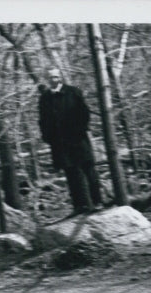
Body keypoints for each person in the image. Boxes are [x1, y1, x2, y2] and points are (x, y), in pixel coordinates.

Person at [38, 68, 104, 216]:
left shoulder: (73, 92)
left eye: (55, 77)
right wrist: (47, 137)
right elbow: (42, 120)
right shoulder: (45, 98)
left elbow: (84, 113)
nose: (53, 80)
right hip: (59, 143)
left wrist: (80, 130)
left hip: (78, 139)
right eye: (50, 77)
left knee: (88, 169)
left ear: (60, 77)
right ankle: (80, 205)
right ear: (47, 79)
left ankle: (97, 202)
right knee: (71, 172)